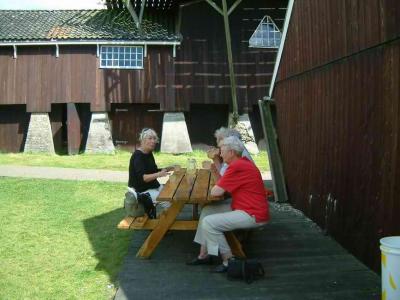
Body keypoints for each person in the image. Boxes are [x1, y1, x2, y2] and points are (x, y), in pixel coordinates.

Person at [188, 136, 269, 272]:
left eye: (222, 150)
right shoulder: (241, 163)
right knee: (207, 210)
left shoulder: (237, 167)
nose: (220, 153)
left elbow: (216, 192)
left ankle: (228, 260)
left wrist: (213, 182)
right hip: (244, 207)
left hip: (252, 214)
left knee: (209, 223)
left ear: (231, 152)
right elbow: (223, 184)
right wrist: (214, 170)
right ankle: (205, 254)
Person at [127, 128, 173, 217]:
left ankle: (163, 221)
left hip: (153, 186)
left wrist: (167, 169)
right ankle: (163, 226)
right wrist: (160, 174)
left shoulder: (148, 153)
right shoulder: (138, 156)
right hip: (141, 192)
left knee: (171, 194)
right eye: (150, 138)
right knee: (167, 201)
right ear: (143, 140)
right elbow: (144, 178)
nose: (153, 141)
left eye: (154, 139)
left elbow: (153, 171)